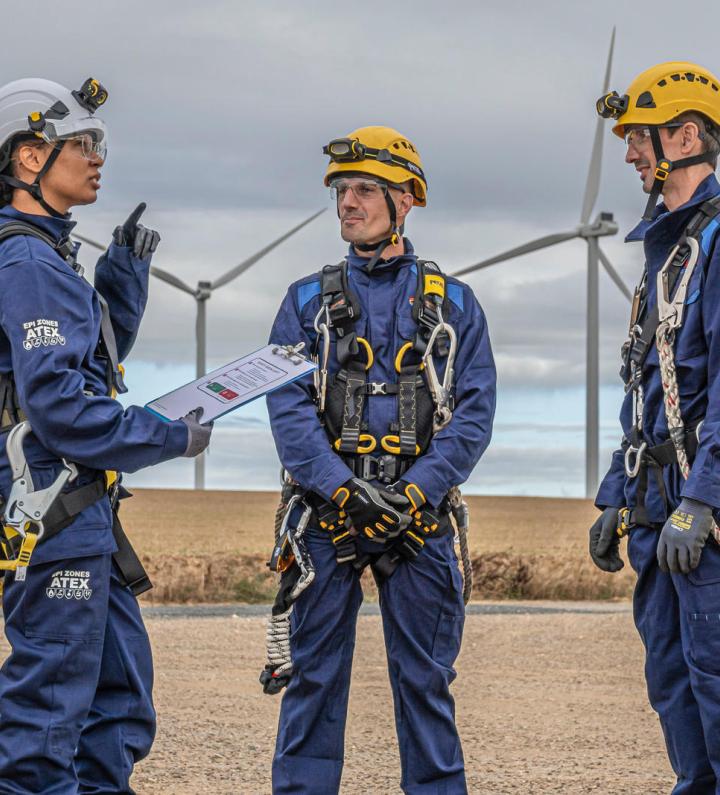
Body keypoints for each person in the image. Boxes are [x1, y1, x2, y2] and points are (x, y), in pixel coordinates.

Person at [265, 126, 496, 794]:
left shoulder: (455, 305)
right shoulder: (304, 302)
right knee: (312, 679)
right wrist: (340, 491)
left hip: (419, 523)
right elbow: (287, 408)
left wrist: (416, 494)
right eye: (342, 189)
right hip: (324, 518)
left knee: (425, 683)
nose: (348, 202)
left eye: (365, 189)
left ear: (407, 200)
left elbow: (473, 414)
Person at [0, 77, 212, 794]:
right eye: (83, 144)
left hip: (82, 517)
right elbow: (63, 411)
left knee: (117, 701)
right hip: (51, 512)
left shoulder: (50, 257)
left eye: (100, 145)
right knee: (46, 720)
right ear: (29, 157)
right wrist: (168, 437)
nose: (97, 158)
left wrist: (121, 282)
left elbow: (90, 370)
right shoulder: (26, 261)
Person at [590, 62, 720, 792]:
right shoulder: (666, 249)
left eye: (640, 138)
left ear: (687, 135)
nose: (632, 154)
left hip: (702, 505)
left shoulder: (719, 243)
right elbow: (647, 386)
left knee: (716, 675)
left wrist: (704, 499)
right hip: (655, 497)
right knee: (671, 676)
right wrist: (617, 492)